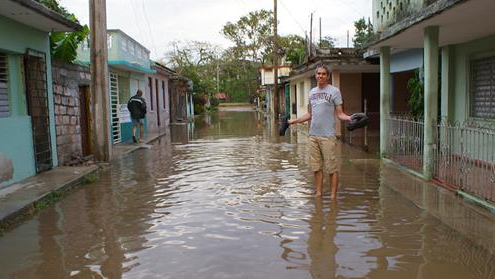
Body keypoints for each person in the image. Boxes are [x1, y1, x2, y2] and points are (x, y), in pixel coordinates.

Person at [288, 65, 351, 198]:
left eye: (323, 74)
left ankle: (333, 197)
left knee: (331, 168)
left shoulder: (334, 91)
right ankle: (318, 194)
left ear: (327, 76)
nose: (320, 76)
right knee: (316, 168)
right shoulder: (311, 92)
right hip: (313, 136)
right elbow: (309, 114)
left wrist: (350, 118)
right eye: (318, 74)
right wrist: (295, 121)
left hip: (328, 136)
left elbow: (340, 114)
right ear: (315, 75)